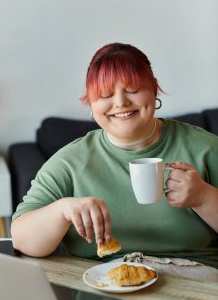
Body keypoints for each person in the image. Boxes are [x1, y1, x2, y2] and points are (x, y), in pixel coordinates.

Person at [11, 42, 218, 280]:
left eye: (132, 89)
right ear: (90, 103)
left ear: (154, 89)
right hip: (105, 283)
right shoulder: (70, 162)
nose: (120, 102)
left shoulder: (205, 148)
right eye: (105, 94)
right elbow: (21, 240)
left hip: (193, 280)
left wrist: (204, 197)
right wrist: (62, 209)